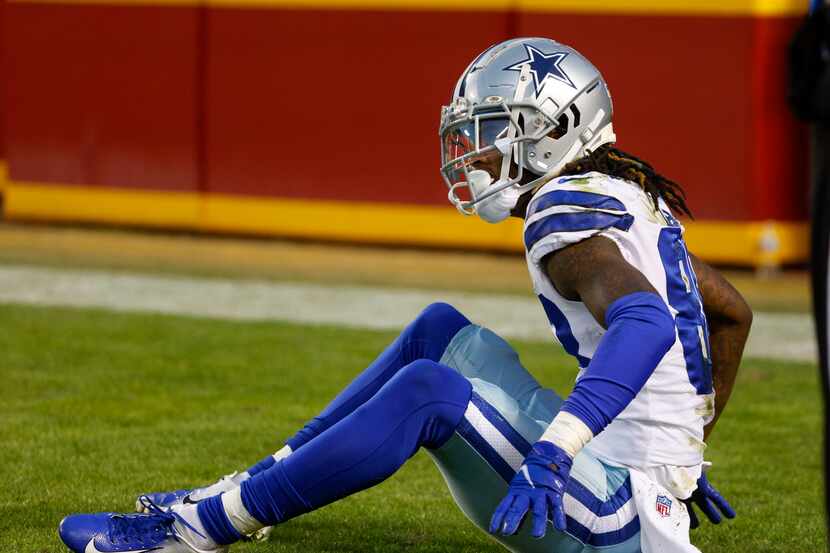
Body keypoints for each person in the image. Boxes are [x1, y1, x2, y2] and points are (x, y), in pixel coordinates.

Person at [58, 37, 751, 553]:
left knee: (429, 390)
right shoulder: (626, 192)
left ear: (554, 134)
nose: (473, 152)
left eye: (494, 131)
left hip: (615, 514)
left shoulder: (560, 210)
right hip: (635, 483)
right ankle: (255, 485)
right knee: (441, 331)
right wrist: (681, 456)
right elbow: (729, 313)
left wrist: (570, 451)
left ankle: (195, 531)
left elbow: (648, 322)